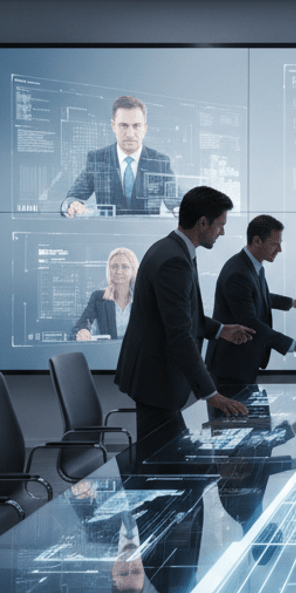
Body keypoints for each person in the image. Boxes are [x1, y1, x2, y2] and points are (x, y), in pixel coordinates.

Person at [114, 185, 254, 445]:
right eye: (220, 224)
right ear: (203, 222)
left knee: (168, 460)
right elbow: (179, 334)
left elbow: (181, 316)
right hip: (157, 381)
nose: (222, 231)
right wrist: (212, 394)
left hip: (157, 378)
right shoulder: (174, 261)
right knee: (159, 465)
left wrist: (220, 330)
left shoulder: (174, 250)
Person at [206, 215, 296, 397]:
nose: (280, 249)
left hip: (240, 366)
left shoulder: (251, 266)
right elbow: (250, 323)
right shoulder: (239, 273)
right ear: (257, 241)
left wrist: (291, 303)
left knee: (251, 421)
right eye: (275, 244)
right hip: (230, 370)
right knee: (235, 424)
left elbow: (259, 296)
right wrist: (292, 345)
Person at [62, 95, 174, 217]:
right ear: (113, 126)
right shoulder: (98, 159)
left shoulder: (159, 161)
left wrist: (180, 208)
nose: (130, 134)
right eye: (123, 125)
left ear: (145, 128)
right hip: (108, 232)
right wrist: (72, 204)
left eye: (136, 126)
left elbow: (175, 199)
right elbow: (73, 196)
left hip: (147, 233)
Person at [71, 246, 140, 340]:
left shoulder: (142, 298)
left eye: (125, 267)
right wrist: (82, 331)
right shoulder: (98, 298)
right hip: (109, 352)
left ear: (133, 270)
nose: (118, 271)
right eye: (114, 266)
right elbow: (79, 327)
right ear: (109, 270)